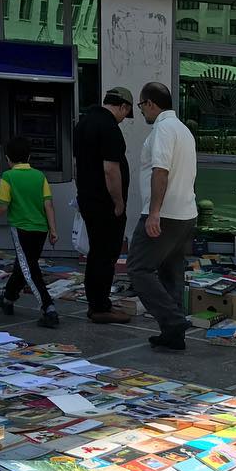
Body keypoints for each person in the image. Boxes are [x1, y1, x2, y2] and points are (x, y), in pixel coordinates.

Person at [130, 82, 198, 351]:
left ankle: (173, 321)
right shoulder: (183, 130)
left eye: (141, 106)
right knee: (171, 271)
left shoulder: (163, 129)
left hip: (165, 213)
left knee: (138, 268)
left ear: (150, 103)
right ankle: (173, 335)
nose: (142, 112)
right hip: (185, 213)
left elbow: (161, 171)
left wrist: (154, 213)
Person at [74, 86, 133, 324]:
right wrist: (118, 202)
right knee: (106, 255)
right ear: (123, 106)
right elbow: (111, 169)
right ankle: (101, 306)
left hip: (89, 199)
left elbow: (79, 166)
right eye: (125, 114)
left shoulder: (84, 124)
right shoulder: (109, 128)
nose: (123, 119)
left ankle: (95, 302)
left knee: (96, 252)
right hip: (105, 203)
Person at [0, 136, 60, 328]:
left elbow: (3, 206)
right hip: (41, 229)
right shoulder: (39, 176)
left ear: (7, 158)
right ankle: (7, 298)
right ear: (29, 156)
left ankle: (48, 308)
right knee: (24, 265)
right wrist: (53, 229)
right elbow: (48, 204)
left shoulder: (8, 177)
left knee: (29, 269)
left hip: (21, 228)